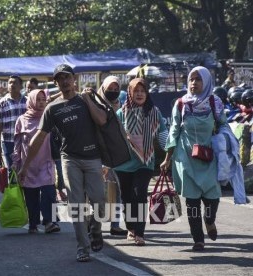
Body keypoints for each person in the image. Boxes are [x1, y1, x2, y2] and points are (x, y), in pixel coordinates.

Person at [18, 64, 108, 262]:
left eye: (67, 77)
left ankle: (95, 228)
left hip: (93, 158)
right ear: (56, 82)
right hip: (70, 159)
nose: (64, 81)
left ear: (74, 79)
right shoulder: (52, 108)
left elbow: (102, 120)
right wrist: (24, 167)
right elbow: (38, 138)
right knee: (76, 205)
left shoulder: (86, 99)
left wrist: (87, 100)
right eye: (60, 78)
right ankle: (83, 248)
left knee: (100, 202)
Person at [160, 66, 226, 251]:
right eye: (191, 79)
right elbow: (174, 131)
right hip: (186, 157)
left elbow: (224, 126)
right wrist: (168, 158)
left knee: (213, 197)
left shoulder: (215, 103)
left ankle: (209, 220)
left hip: (209, 157)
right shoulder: (181, 104)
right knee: (192, 202)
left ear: (206, 82)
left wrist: (228, 147)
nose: (194, 83)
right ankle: (198, 238)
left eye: (198, 79)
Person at [113, 78, 168, 246]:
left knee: (140, 193)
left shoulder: (154, 112)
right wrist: (106, 163)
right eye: (136, 90)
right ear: (129, 92)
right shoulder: (121, 113)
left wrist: (170, 154)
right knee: (127, 197)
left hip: (145, 161)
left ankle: (140, 232)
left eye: (143, 91)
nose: (139, 94)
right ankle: (130, 227)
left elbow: (163, 133)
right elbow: (113, 139)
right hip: (123, 163)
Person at [12, 89, 60, 234]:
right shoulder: (22, 120)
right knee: (31, 196)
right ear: (31, 101)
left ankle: (49, 222)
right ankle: (33, 223)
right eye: (37, 99)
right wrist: (16, 161)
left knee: (49, 194)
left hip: (46, 163)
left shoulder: (49, 117)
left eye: (43, 99)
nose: (40, 103)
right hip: (28, 165)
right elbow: (18, 144)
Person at [96, 76, 128, 237]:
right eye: (110, 88)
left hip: (115, 154)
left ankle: (115, 225)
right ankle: (92, 225)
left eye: (116, 89)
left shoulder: (119, 106)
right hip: (98, 153)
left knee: (117, 190)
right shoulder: (95, 105)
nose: (113, 92)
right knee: (95, 191)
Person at [0, 75, 27, 169]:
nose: (12, 85)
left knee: (24, 167)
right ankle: (13, 184)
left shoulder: (27, 101)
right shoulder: (1, 103)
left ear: (21, 86)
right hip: (8, 142)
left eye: (15, 82)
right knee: (12, 169)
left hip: (24, 141)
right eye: (10, 82)